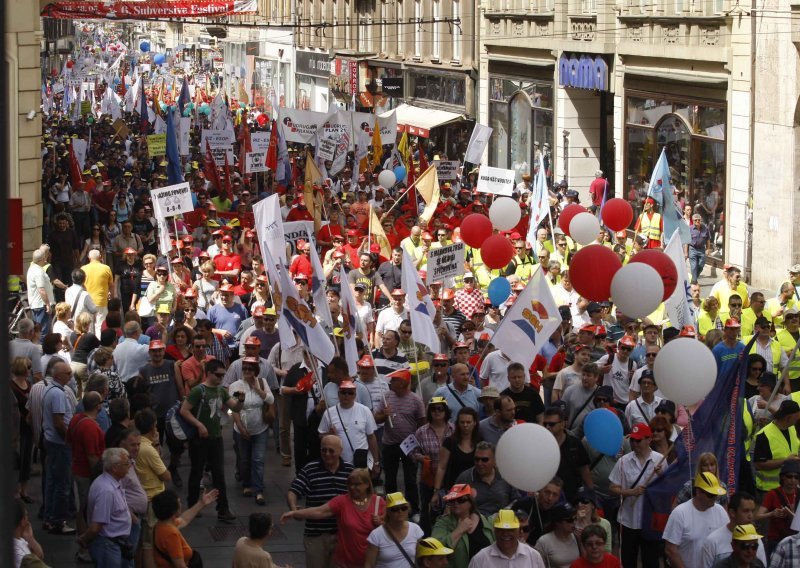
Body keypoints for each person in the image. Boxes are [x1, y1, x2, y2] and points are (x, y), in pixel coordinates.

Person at [180, 357, 244, 522]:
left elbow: (234, 407)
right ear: (208, 373)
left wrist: (241, 400)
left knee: (219, 474)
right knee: (196, 472)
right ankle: (193, 505)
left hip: (216, 437)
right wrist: (199, 425)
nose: (221, 378)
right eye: (218, 375)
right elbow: (184, 410)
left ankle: (223, 508)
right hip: (199, 439)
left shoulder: (220, 390)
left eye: (223, 375)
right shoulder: (198, 391)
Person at [281, 468, 386, 568]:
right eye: (350, 484)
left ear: (367, 484)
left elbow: (394, 527)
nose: (352, 487)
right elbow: (319, 511)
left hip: (372, 562)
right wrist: (295, 513)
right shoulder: (342, 501)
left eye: (357, 484)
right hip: (346, 562)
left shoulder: (379, 502)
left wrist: (383, 523)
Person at [286, 435, 354, 568]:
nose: (327, 454)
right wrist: (294, 508)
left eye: (331, 451)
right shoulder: (311, 469)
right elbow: (293, 490)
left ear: (340, 451)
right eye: (324, 450)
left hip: (341, 535)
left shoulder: (350, 471)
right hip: (316, 535)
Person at [608, 423, 663, 567]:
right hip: (628, 520)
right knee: (628, 561)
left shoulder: (660, 460)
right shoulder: (623, 461)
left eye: (638, 440)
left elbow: (667, 489)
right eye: (632, 440)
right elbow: (612, 488)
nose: (634, 443)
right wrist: (630, 492)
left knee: (651, 561)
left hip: (650, 521)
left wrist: (661, 475)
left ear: (649, 440)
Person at [375, 368, 425, 516]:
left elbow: (422, 423)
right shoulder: (386, 397)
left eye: (394, 380)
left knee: (410, 479)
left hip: (410, 446)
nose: (391, 383)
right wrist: (384, 415)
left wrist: (419, 445)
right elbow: (376, 418)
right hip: (389, 444)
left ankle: (413, 509)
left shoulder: (416, 400)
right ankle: (391, 509)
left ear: (403, 383)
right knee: (390, 479)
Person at [229, 356, 275, 506]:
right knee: (244, 459)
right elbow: (234, 409)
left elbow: (270, 400)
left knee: (258, 459)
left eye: (250, 369)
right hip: (241, 427)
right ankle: (247, 483)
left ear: (256, 371)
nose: (247, 372)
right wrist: (241, 427)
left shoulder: (262, 382)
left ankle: (258, 490)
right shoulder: (235, 385)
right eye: (245, 369)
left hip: (260, 428)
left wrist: (256, 387)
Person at [77, 448, 133, 567]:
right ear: (114, 467)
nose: (130, 466)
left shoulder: (112, 483)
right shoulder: (106, 491)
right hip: (108, 546)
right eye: (127, 463)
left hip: (115, 544)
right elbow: (95, 527)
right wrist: (84, 539)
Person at [664, 472, 730, 568]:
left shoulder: (720, 511)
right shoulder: (679, 513)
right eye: (710, 494)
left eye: (716, 494)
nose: (715, 498)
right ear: (698, 492)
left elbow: (726, 541)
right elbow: (670, 550)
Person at [42, 359, 76, 535]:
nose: (70, 376)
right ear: (57, 375)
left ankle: (50, 518)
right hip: (60, 444)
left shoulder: (51, 390)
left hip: (52, 442)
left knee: (52, 482)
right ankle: (58, 521)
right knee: (62, 484)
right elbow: (59, 423)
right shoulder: (58, 394)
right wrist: (70, 439)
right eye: (67, 373)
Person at [318, 380, 380, 471]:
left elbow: (371, 437)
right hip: (338, 462)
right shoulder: (329, 413)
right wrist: (329, 434)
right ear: (338, 394)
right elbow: (321, 435)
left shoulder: (365, 410)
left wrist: (376, 462)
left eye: (350, 393)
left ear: (355, 396)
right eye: (343, 392)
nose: (346, 395)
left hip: (360, 461)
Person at [151, 487, 220, 568]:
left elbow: (184, 519)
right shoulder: (171, 534)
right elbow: (180, 565)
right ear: (173, 509)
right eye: (179, 502)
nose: (181, 504)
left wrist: (202, 503)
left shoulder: (160, 525)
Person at [432, 483, 495, 567]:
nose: (456, 503)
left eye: (461, 499)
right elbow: (436, 550)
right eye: (452, 500)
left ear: (471, 502)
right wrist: (459, 530)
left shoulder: (486, 522)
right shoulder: (443, 523)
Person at [432, 407, 480, 510]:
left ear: (474, 423)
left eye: (468, 422)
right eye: (462, 422)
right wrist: (436, 491)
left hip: (474, 490)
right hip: (453, 491)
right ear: (458, 423)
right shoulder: (449, 442)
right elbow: (441, 467)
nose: (465, 425)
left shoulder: (480, 442)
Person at [701, 492, 767, 567]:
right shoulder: (712, 541)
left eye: (754, 546)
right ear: (732, 512)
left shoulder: (756, 539)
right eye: (746, 511)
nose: (750, 516)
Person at [543, 406, 593, 502]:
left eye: (551, 424)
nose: (547, 427)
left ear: (562, 424)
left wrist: (591, 497)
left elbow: (585, 471)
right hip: (547, 498)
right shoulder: (540, 444)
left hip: (572, 498)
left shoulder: (575, 444)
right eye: (545, 424)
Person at [455, 441, 516, 517]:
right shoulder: (465, 478)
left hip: (502, 523)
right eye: (477, 459)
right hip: (475, 524)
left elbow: (516, 501)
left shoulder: (505, 476)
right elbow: (454, 504)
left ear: (495, 461)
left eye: (484, 460)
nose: (479, 463)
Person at [364, 492, 425, 568]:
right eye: (395, 509)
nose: (400, 511)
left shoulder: (416, 530)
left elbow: (419, 560)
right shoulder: (376, 535)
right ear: (388, 511)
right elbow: (369, 564)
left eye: (404, 508)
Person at [468, 509, 547, 568]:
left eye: (510, 530)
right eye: (501, 529)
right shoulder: (480, 559)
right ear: (494, 531)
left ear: (518, 531)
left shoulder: (533, 556)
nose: (505, 534)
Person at [752, 399, 800, 493]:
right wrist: (785, 461)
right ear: (788, 418)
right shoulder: (764, 435)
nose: (798, 420)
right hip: (768, 490)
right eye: (797, 418)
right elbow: (759, 465)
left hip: (790, 488)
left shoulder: (793, 430)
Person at [755, 460, 799, 556]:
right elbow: (757, 516)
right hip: (776, 540)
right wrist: (772, 513)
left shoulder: (798, 494)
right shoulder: (772, 494)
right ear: (782, 477)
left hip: (796, 540)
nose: (793, 480)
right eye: (789, 476)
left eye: (796, 477)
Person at [534, 503, 582, 568]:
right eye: (569, 520)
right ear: (557, 522)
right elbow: (536, 564)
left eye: (575, 519)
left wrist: (581, 541)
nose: (574, 523)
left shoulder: (576, 537)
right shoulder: (544, 541)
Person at [82, 249, 115, 331]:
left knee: (88, 326)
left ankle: (90, 343)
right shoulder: (106, 268)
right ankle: (100, 343)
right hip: (101, 301)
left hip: (87, 301)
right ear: (100, 257)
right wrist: (112, 297)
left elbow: (81, 286)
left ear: (89, 257)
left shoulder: (83, 269)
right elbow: (111, 285)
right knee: (100, 326)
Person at [27, 248, 55, 339]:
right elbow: (41, 290)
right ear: (42, 259)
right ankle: (42, 351)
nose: (45, 260)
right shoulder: (38, 272)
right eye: (44, 258)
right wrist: (47, 304)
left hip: (36, 304)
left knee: (38, 330)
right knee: (43, 331)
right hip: (41, 305)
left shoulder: (32, 268)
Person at [13, 498, 45, 568]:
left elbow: (39, 557)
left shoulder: (19, 539)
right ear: (23, 521)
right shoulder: (18, 553)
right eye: (26, 515)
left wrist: (30, 538)